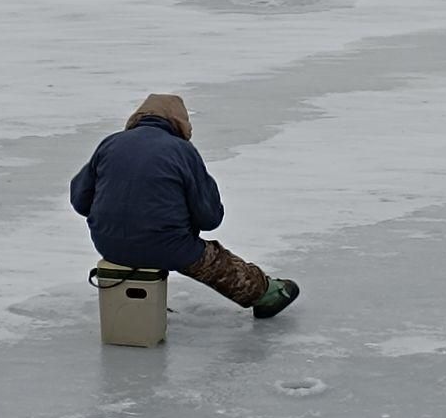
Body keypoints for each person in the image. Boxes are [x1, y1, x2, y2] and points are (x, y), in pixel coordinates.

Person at [70, 94, 299, 319]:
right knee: (215, 260)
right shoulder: (182, 151)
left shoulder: (110, 143)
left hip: (108, 244)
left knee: (152, 243)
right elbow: (209, 218)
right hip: (167, 246)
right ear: (179, 122)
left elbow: (80, 200)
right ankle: (265, 293)